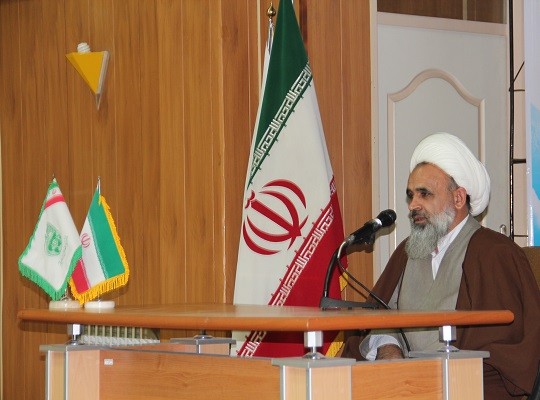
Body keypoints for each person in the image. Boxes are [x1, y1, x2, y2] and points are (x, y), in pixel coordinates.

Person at [342, 132, 540, 399]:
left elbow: (509, 351)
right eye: (411, 195)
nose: (413, 205)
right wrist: (389, 349)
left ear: (458, 198)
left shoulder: (496, 253)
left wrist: (439, 377)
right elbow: (379, 317)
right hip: (404, 387)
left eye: (424, 194)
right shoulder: (407, 252)